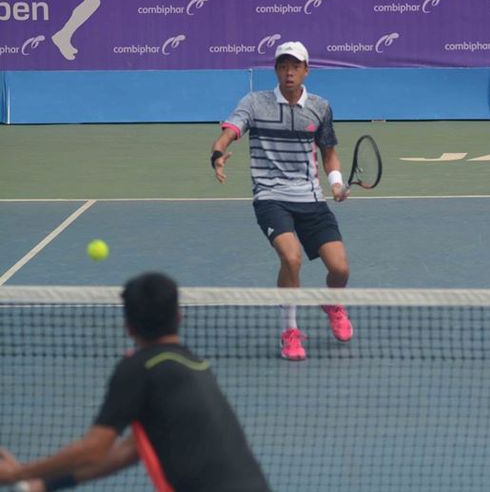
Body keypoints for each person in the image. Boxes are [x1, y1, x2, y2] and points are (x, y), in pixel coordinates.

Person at [0, 272, 271, 491]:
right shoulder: (195, 365)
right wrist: (42, 484)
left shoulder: (140, 368)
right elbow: (129, 451)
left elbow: (93, 451)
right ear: (179, 317)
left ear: (127, 327)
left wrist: (17, 473)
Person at [209, 40, 353, 361]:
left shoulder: (320, 107)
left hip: (310, 197)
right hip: (271, 195)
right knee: (291, 259)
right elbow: (232, 129)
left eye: (295, 66)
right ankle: (290, 330)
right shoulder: (255, 103)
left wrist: (337, 183)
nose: (289, 72)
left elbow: (328, 152)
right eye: (283, 66)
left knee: (340, 269)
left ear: (306, 70)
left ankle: (332, 301)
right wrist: (218, 151)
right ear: (276, 70)